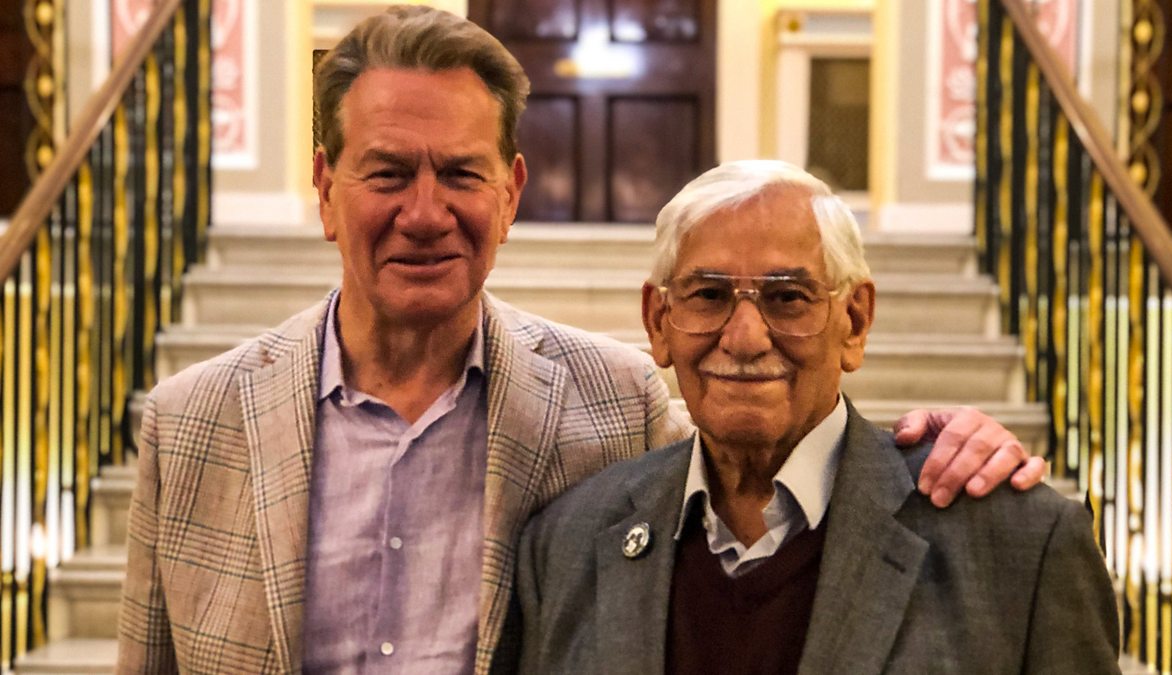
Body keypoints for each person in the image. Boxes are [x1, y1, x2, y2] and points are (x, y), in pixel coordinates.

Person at [117, 7, 1045, 674]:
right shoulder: (192, 423)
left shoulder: (615, 400)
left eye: (462, 174)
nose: (426, 213)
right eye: (388, 172)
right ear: (325, 189)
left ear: (511, 193)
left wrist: (951, 445)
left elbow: (776, 453)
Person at [512, 160, 1120, 674]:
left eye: (787, 298)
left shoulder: (1019, 544)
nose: (744, 339)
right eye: (709, 296)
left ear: (854, 322)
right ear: (658, 322)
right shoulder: (566, 544)